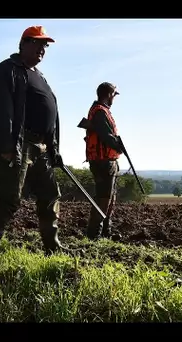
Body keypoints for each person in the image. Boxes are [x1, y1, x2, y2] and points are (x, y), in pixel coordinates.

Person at [0, 25, 66, 255]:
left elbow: (51, 114)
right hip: (20, 144)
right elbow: (0, 109)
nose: (42, 49)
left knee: (50, 196)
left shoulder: (40, 76)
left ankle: (52, 245)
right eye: (38, 43)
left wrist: (54, 149)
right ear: (24, 43)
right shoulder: (8, 69)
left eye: (45, 46)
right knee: (10, 197)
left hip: (42, 147)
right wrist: (7, 145)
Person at [80, 82, 124, 240]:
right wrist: (119, 147)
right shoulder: (100, 112)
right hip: (103, 161)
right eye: (114, 95)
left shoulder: (100, 110)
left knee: (109, 198)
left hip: (105, 160)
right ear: (109, 94)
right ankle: (95, 236)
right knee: (104, 199)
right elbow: (106, 137)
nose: (114, 98)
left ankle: (106, 232)